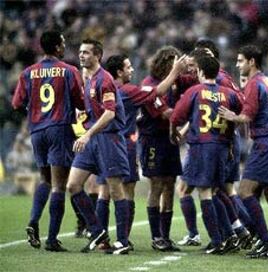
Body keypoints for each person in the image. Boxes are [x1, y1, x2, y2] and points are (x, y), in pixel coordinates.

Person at [98, 53, 186, 250]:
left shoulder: (103, 86)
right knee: (129, 189)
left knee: (105, 190)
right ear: (119, 71)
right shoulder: (131, 89)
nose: (132, 70)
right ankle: (126, 239)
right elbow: (156, 95)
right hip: (129, 141)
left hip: (103, 141)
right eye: (128, 67)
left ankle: (102, 239)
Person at [12, 30, 84, 251]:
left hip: (36, 130)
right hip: (59, 128)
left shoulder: (27, 73)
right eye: (62, 43)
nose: (64, 46)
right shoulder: (69, 71)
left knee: (45, 180)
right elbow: (81, 100)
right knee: (59, 186)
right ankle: (52, 239)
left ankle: (33, 221)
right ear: (58, 47)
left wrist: (33, 111)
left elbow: (16, 103)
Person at [219, 45, 268, 260]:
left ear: (251, 62)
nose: (238, 65)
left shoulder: (254, 83)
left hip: (265, 143)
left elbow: (247, 116)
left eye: (240, 61)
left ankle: (266, 242)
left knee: (245, 192)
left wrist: (231, 116)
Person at [170, 55, 242, 254]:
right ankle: (232, 235)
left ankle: (217, 241)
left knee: (204, 192)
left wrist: (173, 132)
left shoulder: (195, 91)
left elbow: (176, 116)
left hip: (202, 147)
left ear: (201, 72)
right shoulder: (229, 94)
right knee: (218, 191)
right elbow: (242, 113)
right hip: (222, 146)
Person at [66, 39, 130, 255]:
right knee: (73, 186)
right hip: (92, 140)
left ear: (97, 56)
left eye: (86, 52)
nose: (81, 55)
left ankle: (123, 241)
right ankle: (97, 231)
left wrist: (87, 134)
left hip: (108, 139)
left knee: (114, 189)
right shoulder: (89, 79)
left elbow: (110, 113)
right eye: (80, 51)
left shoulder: (105, 80)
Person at [138, 46, 187, 251]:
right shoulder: (148, 85)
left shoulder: (175, 84)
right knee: (156, 184)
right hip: (152, 140)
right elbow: (166, 113)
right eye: (173, 64)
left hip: (169, 140)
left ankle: (165, 237)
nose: (176, 68)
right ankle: (156, 236)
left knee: (170, 184)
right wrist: (190, 112)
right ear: (164, 63)